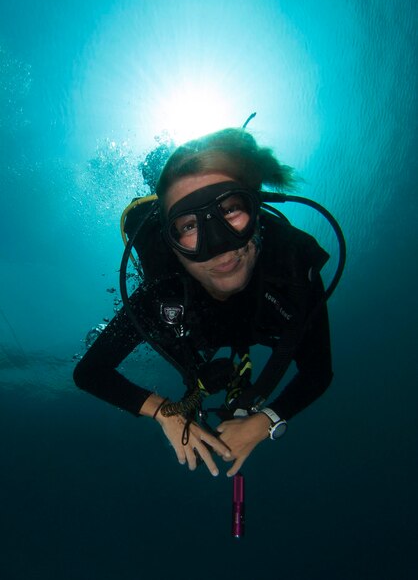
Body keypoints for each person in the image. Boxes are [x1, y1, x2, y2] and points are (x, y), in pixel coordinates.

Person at [74, 127, 335, 478]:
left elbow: (318, 372)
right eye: (187, 226)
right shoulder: (162, 293)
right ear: (171, 245)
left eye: (229, 209)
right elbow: (90, 372)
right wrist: (163, 411)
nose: (217, 245)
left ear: (255, 211)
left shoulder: (292, 271)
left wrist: (264, 422)